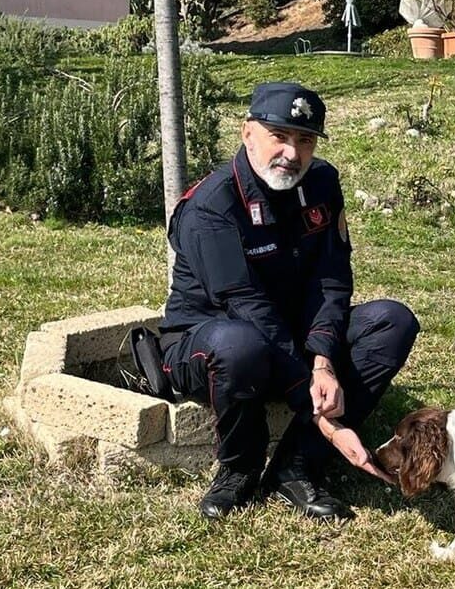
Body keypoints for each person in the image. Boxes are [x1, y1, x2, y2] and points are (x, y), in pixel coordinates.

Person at [159, 82, 420, 521]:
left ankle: (297, 466)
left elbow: (331, 280)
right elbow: (248, 308)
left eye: (304, 140)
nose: (292, 154)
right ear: (248, 134)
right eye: (279, 136)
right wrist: (330, 423)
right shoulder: (211, 206)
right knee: (240, 346)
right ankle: (239, 470)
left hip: (289, 333)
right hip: (208, 341)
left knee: (393, 321)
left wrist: (322, 360)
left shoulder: (321, 184)